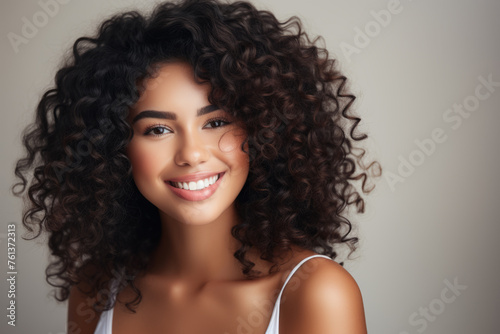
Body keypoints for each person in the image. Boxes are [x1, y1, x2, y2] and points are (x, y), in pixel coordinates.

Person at [13, 0, 380, 333]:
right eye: (157, 129)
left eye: (216, 122)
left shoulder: (314, 293)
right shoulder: (96, 286)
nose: (192, 154)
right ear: (111, 149)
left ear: (264, 129)